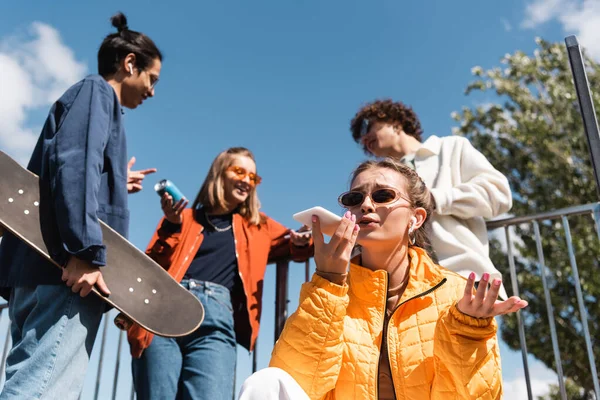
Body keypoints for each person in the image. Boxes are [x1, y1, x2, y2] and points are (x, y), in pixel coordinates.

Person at [239, 158, 527, 400]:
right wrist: (328, 281)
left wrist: (468, 332)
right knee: (267, 382)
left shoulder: (454, 293)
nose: (365, 205)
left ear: (416, 218)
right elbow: (300, 383)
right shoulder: (331, 288)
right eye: (354, 198)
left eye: (383, 196)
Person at [0, 12, 161, 399]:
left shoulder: (90, 98)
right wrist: (85, 251)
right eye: (151, 79)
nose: (152, 91)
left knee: (28, 383)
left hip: (41, 269)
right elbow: (74, 164)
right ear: (129, 64)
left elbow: (65, 164)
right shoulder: (97, 93)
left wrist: (114, 183)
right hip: (68, 271)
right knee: (41, 390)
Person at [127, 147, 313, 400]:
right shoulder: (184, 217)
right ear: (219, 173)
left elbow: (297, 243)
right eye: (239, 171)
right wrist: (171, 224)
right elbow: (152, 265)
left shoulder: (259, 225)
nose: (247, 181)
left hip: (215, 322)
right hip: (164, 311)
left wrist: (302, 241)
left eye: (253, 177)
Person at [349, 99, 512, 298]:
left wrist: (436, 199)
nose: (364, 138)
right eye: (360, 139)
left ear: (395, 121)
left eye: (367, 127)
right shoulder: (380, 179)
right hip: (406, 291)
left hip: (465, 280)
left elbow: (499, 194)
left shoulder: (452, 148)